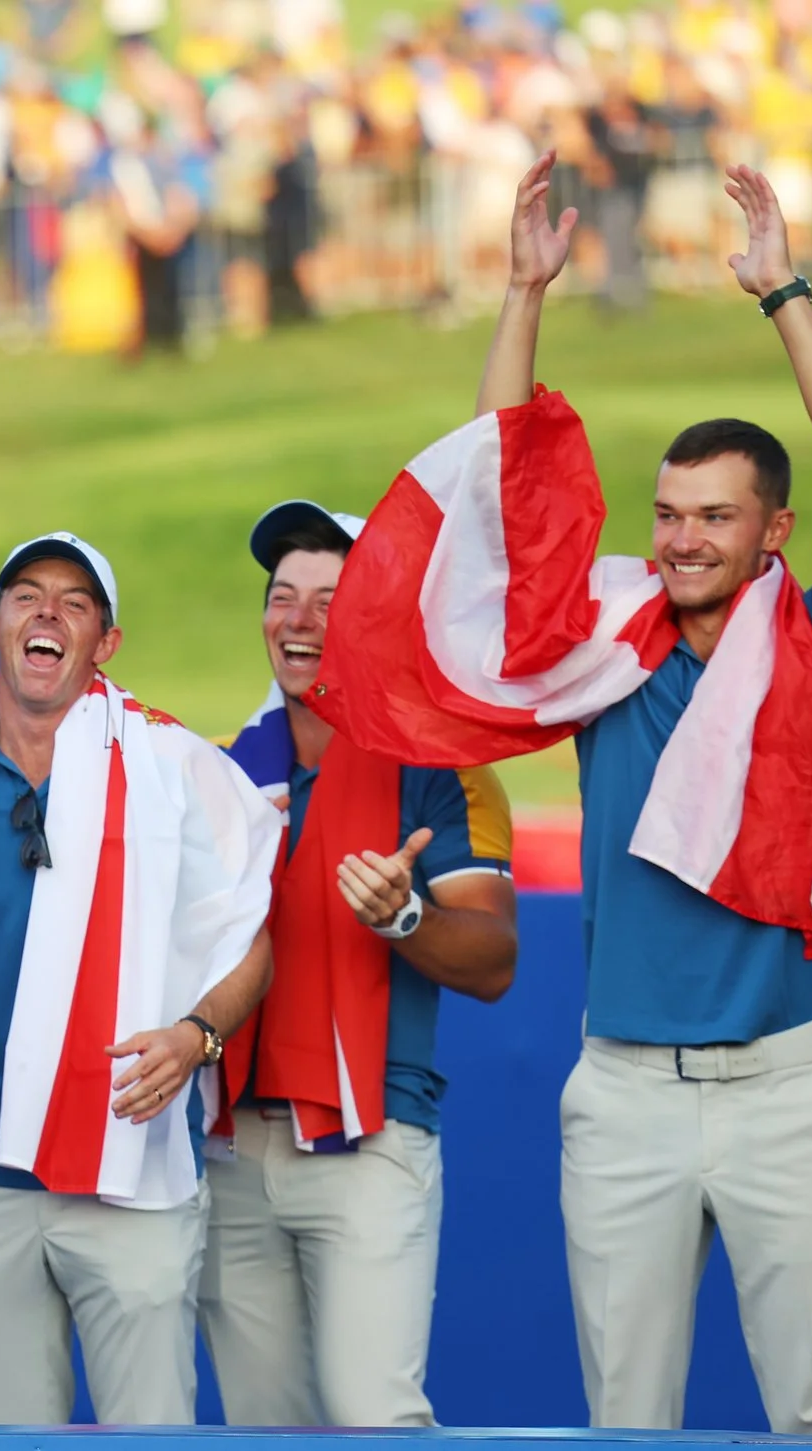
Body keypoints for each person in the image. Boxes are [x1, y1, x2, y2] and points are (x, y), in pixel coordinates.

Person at [316, 154, 812, 1436]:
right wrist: (522, 294)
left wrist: (780, 289)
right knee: (624, 1425)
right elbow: (503, 501)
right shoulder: (609, 643)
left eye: (714, 518)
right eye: (668, 513)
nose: (682, 538)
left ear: (772, 535)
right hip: (622, 1091)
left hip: (789, 1093)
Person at [0, 533, 278, 1427]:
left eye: (75, 601)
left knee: (150, 1436)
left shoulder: (179, 766)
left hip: (128, 1171)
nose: (47, 612)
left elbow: (250, 935)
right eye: (27, 594)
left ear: (107, 641)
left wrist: (198, 1035)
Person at [198, 501, 519, 1428]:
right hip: (232, 1149)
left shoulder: (440, 765)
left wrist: (407, 914)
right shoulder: (226, 771)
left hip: (370, 1140)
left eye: (329, 599)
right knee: (263, 1432)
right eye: (282, 597)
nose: (297, 620)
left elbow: (494, 957)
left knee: (372, 1418)